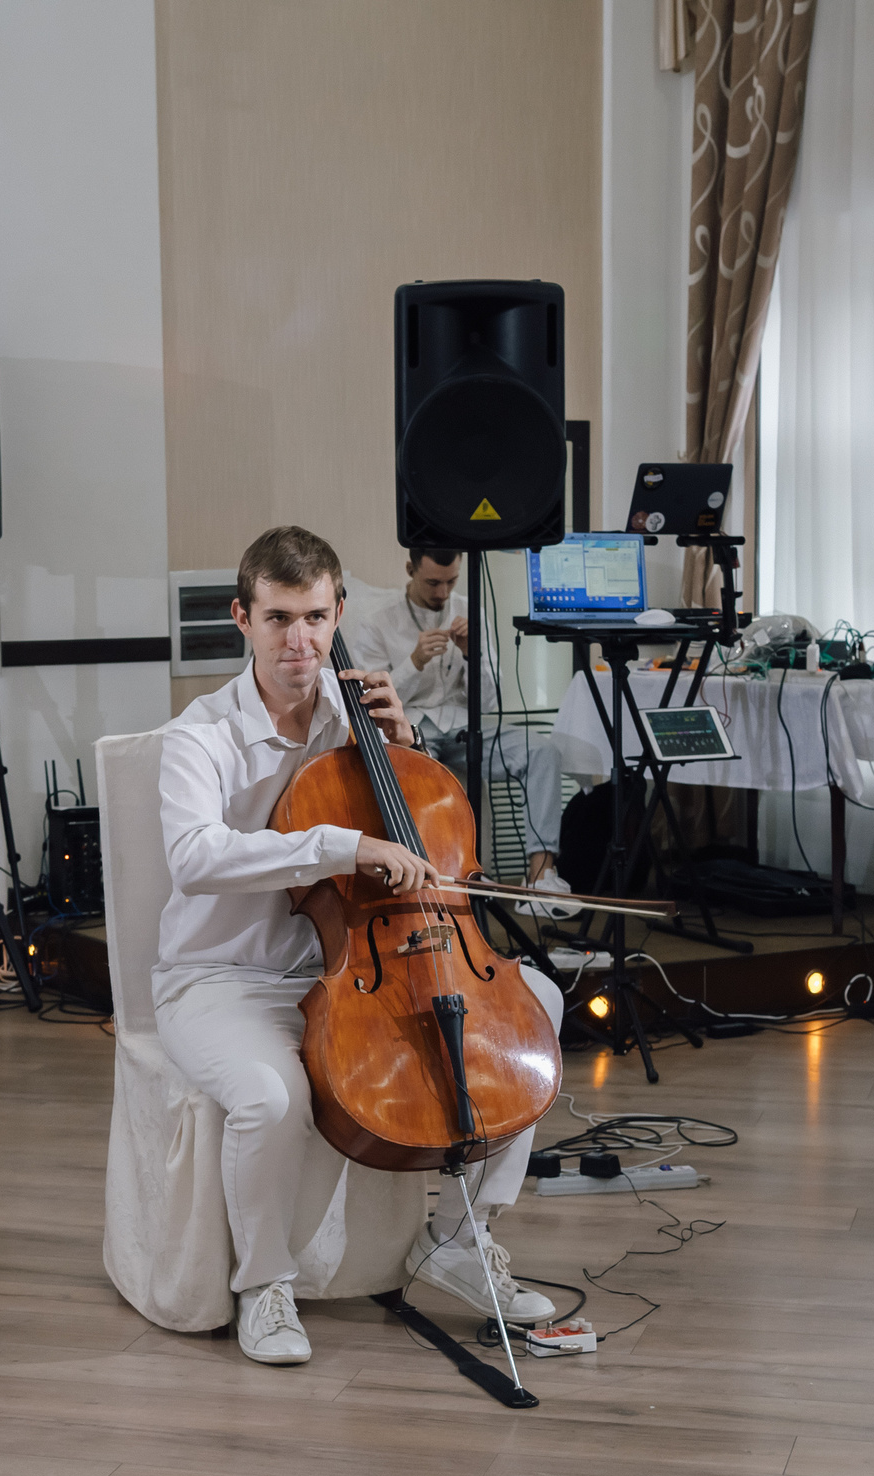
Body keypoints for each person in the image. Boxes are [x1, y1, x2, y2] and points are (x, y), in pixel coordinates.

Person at [155, 525, 566, 1365]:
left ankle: (456, 1237)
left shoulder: (362, 722)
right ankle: (264, 1284)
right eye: (278, 618)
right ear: (242, 617)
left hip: (344, 970)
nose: (299, 640)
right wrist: (343, 846)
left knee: (538, 1013)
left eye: (314, 617)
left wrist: (404, 753)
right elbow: (196, 858)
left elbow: (426, 841)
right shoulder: (198, 736)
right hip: (221, 978)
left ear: (339, 611)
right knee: (270, 1097)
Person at [345, 548, 575, 914]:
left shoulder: (471, 612)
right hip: (414, 729)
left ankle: (540, 879)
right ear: (410, 568)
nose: (442, 593)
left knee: (542, 751)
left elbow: (489, 702)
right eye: (433, 582)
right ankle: (439, 884)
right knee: (420, 777)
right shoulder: (378, 621)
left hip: (467, 728)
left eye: (451, 582)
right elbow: (370, 702)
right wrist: (414, 662)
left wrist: (472, 655)